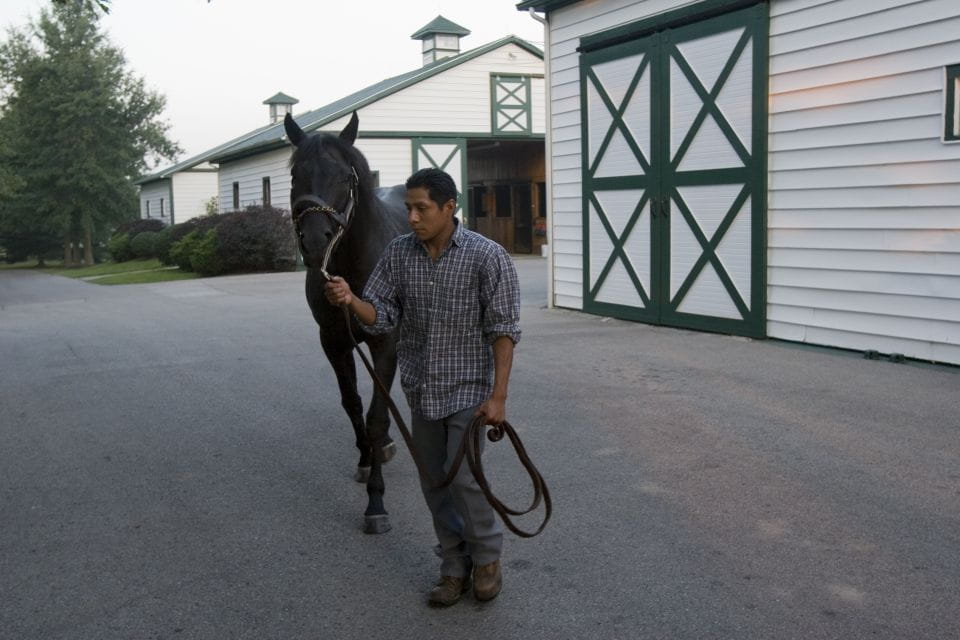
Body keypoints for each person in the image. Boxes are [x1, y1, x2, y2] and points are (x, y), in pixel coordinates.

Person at [324, 168, 521, 606]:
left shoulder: (487, 257)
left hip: (469, 389)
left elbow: (504, 330)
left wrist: (499, 396)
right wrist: (350, 299)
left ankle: (487, 558)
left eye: (421, 208)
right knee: (433, 482)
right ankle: (454, 565)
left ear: (450, 208)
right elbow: (382, 315)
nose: (411, 217)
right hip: (421, 388)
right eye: (409, 207)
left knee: (465, 478)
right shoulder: (398, 254)